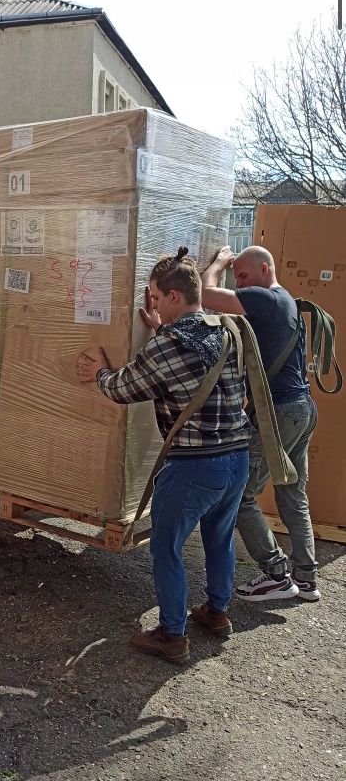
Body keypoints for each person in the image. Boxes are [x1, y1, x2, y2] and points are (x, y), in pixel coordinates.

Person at [75, 247, 251, 666]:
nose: (152, 305)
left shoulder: (170, 344)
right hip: (237, 457)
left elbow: (123, 389)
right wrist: (156, 334)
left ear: (174, 296)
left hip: (194, 465)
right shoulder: (223, 330)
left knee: (167, 548)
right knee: (219, 537)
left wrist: (100, 369)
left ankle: (172, 635)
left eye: (155, 297)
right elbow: (190, 371)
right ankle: (217, 612)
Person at [200, 244, 320, 602]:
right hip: (301, 408)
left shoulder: (265, 300)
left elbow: (205, 295)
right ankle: (306, 578)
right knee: (292, 493)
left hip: (279, 412)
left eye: (244, 276)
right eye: (237, 278)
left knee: (240, 495)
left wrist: (219, 263)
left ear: (265, 270)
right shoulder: (287, 301)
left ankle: (276, 574)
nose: (240, 285)